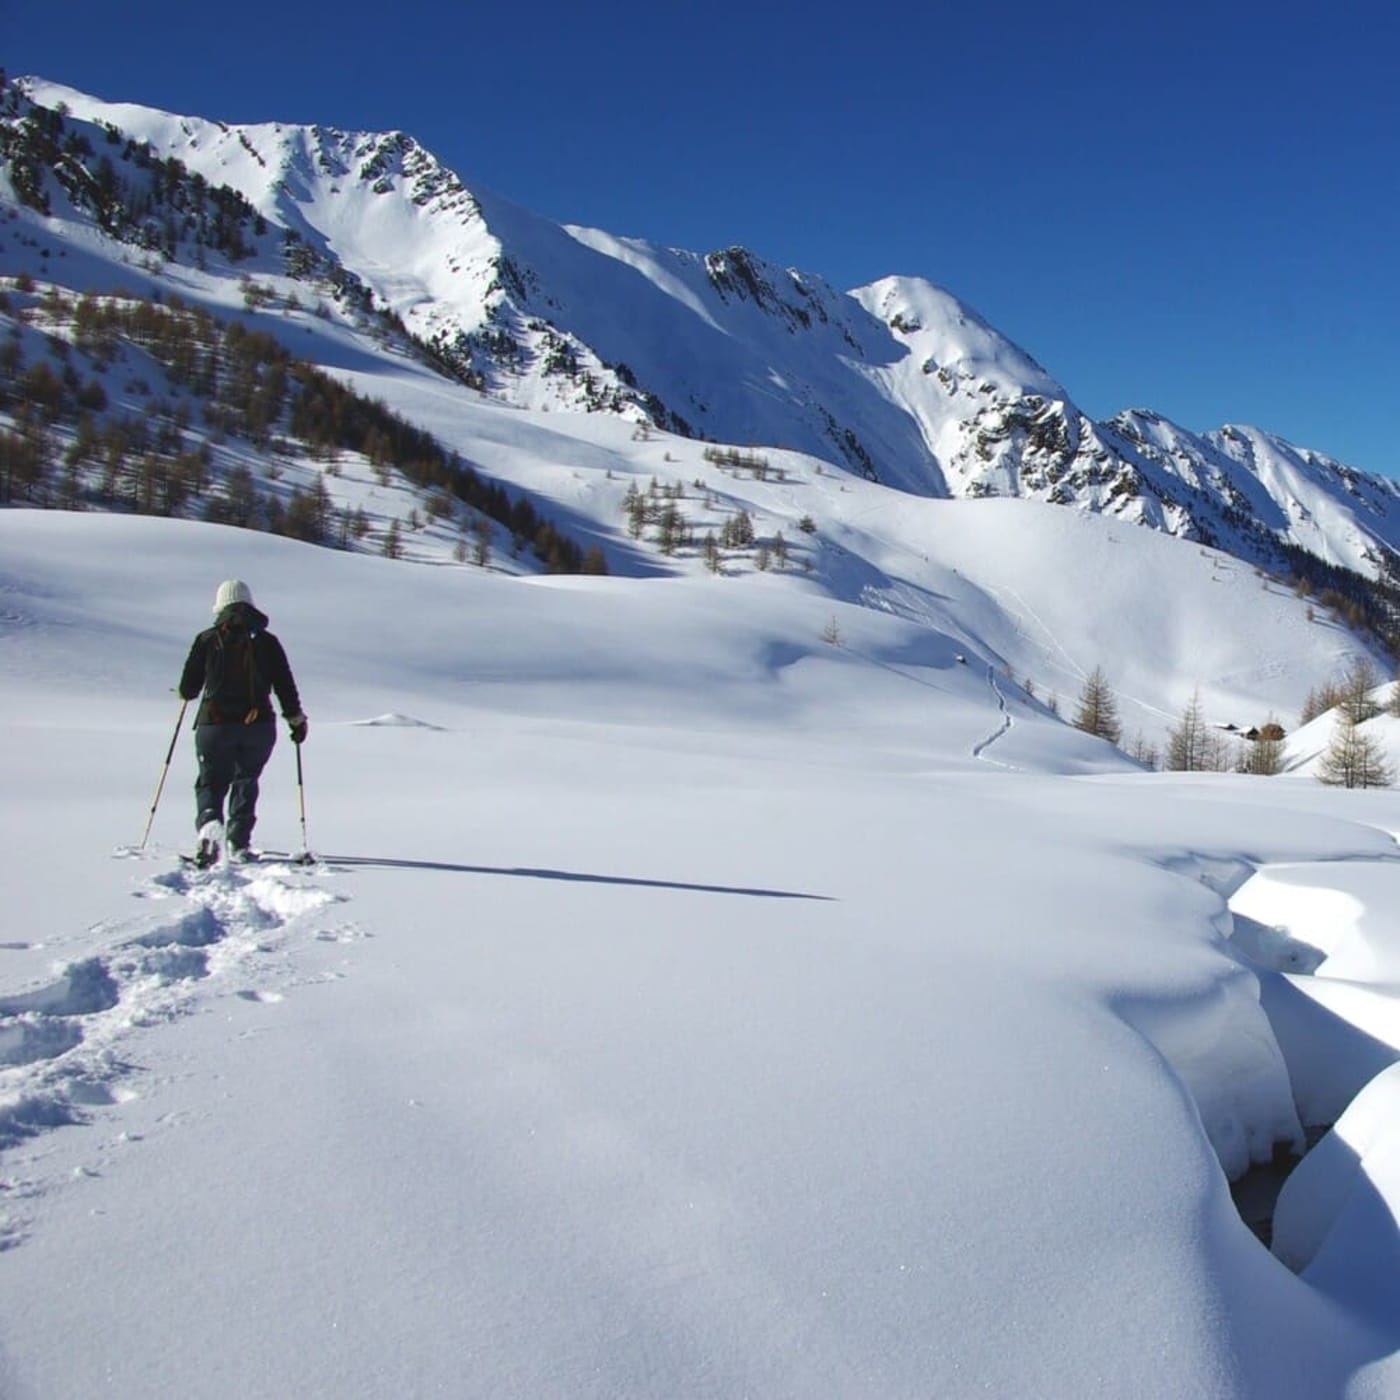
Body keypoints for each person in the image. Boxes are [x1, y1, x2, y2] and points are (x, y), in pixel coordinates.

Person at [178, 579, 307, 866]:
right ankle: (238, 843)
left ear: (220, 607)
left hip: (214, 726)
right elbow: (285, 686)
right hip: (258, 726)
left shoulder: (207, 639)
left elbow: (188, 689)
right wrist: (296, 720)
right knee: (246, 780)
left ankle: (210, 826)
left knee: (211, 782)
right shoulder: (268, 642)